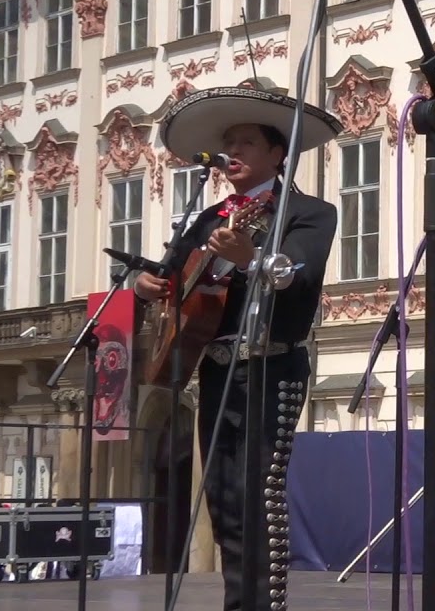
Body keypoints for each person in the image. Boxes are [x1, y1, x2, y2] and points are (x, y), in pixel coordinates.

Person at [134, 86, 341, 610]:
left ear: (278, 154)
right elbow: (170, 277)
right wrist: (148, 286)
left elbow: (302, 275)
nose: (234, 152)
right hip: (218, 367)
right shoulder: (208, 218)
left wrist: (253, 258)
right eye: (229, 144)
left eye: (247, 142)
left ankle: (265, 605)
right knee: (224, 500)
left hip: (274, 364)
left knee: (259, 494)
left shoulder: (309, 212)